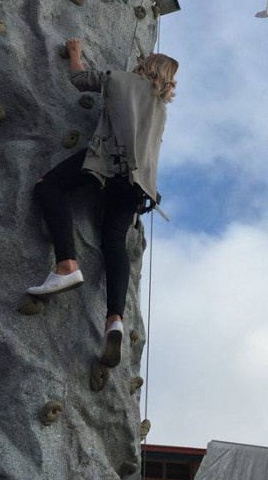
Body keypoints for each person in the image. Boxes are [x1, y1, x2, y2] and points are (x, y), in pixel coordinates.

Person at [26, 38, 178, 368]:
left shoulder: (120, 78)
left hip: (108, 161)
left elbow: (81, 79)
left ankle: (66, 264)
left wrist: (75, 53)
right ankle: (115, 320)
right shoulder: (161, 109)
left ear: (145, 65)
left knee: (48, 187)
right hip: (140, 187)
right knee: (113, 243)